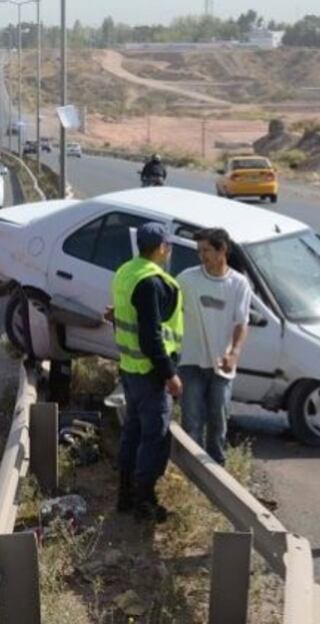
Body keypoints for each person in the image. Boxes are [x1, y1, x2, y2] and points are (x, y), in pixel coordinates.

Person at [109, 222, 183, 522]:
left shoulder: (126, 271)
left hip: (130, 368)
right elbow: (151, 336)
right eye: (168, 244)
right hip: (151, 373)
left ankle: (125, 495)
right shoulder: (151, 282)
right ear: (162, 247)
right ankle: (145, 500)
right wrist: (169, 374)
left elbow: (123, 315)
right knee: (155, 437)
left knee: (133, 432)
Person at [176, 228, 253, 465]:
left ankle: (216, 473)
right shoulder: (187, 279)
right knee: (192, 421)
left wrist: (234, 354)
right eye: (199, 251)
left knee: (218, 422)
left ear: (222, 251)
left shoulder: (238, 284)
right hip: (190, 362)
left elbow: (242, 323)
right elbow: (166, 305)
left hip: (221, 366)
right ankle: (192, 473)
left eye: (206, 250)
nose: (202, 255)